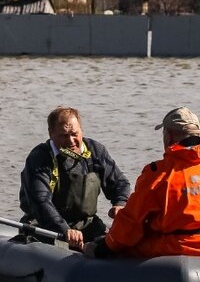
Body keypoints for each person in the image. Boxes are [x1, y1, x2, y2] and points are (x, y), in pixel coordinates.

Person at [85, 106, 200, 259]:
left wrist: (105, 246)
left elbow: (131, 222)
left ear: (168, 136)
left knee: (124, 248)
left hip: (179, 247)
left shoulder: (158, 174)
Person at [18, 106, 132, 251]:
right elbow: (40, 200)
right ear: (51, 134)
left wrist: (120, 203)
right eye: (64, 136)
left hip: (86, 224)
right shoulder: (40, 158)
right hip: (45, 226)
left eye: (74, 134)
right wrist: (64, 229)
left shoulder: (95, 151)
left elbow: (120, 183)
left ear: (81, 130)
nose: (71, 141)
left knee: (117, 246)